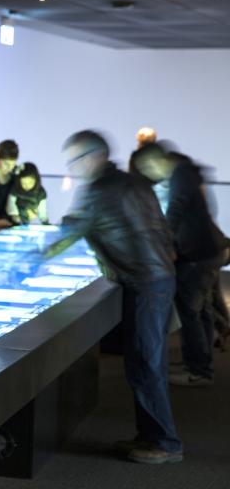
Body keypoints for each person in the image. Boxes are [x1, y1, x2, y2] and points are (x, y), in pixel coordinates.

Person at [49, 130, 182, 464]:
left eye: (76, 159)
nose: (72, 167)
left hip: (145, 281)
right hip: (156, 276)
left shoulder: (101, 189)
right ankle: (150, 435)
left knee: (145, 362)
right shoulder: (130, 181)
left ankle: (165, 443)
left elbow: (73, 230)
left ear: (94, 156)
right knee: (145, 360)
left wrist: (30, 259)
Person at [133, 143, 226, 386]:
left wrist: (164, 241)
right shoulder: (187, 173)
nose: (148, 175)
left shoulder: (181, 176)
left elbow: (176, 208)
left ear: (154, 162)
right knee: (202, 310)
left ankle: (198, 370)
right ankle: (200, 363)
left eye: (146, 168)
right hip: (204, 252)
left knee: (190, 312)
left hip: (195, 255)